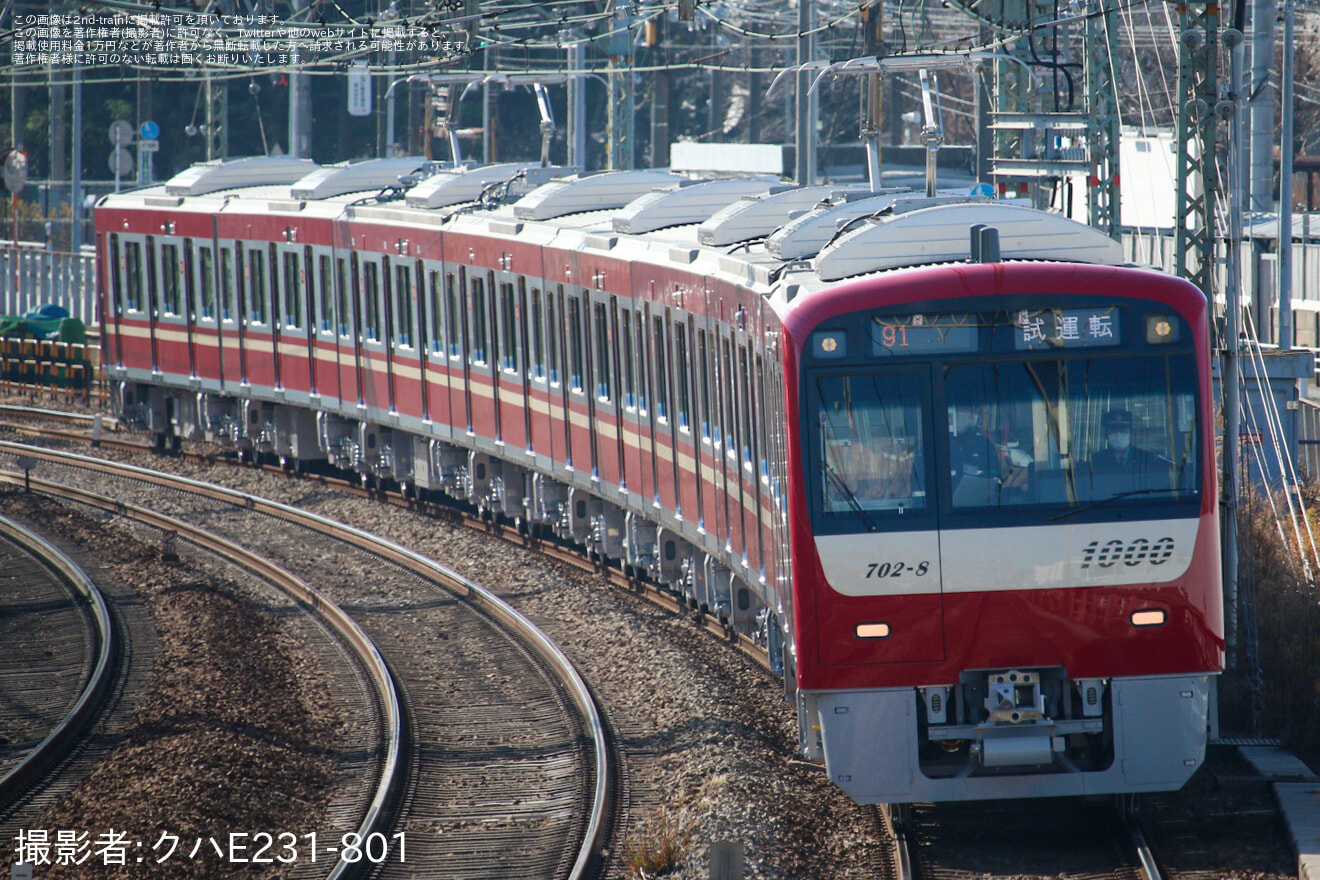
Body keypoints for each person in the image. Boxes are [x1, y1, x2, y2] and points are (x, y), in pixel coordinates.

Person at [1086, 409, 1171, 493]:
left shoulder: (1147, 459)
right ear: (1106, 434)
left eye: (1123, 430)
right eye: (1113, 430)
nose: (1118, 434)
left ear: (1131, 433)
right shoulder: (1096, 461)